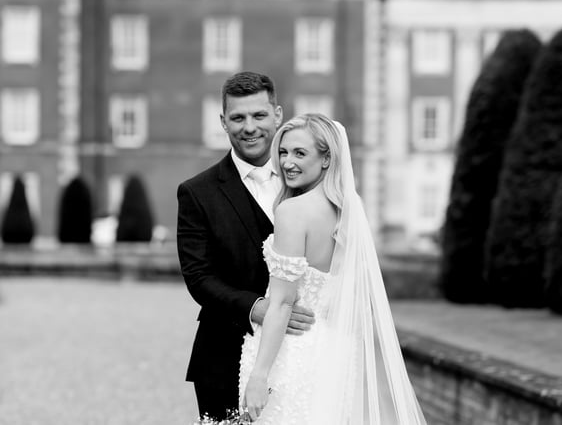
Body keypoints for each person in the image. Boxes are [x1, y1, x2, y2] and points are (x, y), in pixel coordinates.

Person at [239, 113, 427, 424]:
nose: (287, 162)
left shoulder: (291, 211)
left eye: (300, 153)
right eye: (283, 152)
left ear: (327, 159)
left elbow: (282, 303)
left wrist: (259, 375)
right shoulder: (350, 210)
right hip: (336, 353)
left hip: (292, 352)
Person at [177, 72, 315, 421]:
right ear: (223, 122)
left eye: (259, 115)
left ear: (278, 115)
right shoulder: (197, 192)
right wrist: (257, 308)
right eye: (238, 118)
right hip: (225, 353)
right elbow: (199, 277)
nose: (249, 127)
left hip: (305, 355)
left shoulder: (311, 183)